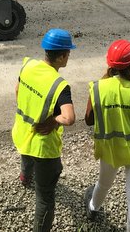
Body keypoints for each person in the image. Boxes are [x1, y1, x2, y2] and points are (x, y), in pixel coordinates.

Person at [83, 39, 130, 231]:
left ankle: (93, 207)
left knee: (104, 184)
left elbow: (89, 120)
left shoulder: (98, 88)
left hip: (109, 149)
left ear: (110, 64)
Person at [13, 28, 77, 232]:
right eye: (68, 52)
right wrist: (53, 121)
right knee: (45, 198)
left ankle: (25, 177)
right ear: (62, 56)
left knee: (26, 154)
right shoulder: (59, 85)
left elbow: (17, 90)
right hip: (43, 146)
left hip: (23, 132)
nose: (69, 56)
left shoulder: (29, 65)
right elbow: (69, 118)